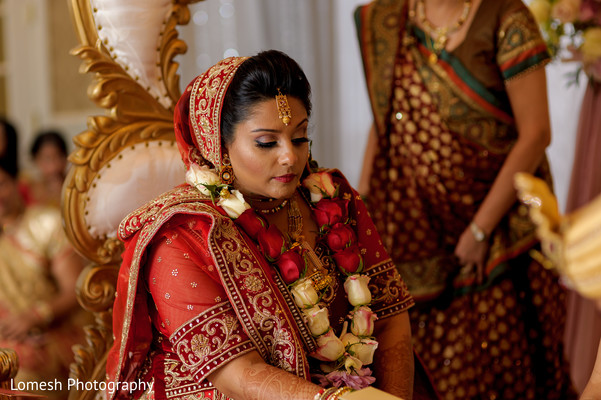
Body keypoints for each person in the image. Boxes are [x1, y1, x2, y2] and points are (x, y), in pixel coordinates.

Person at [105, 50, 426, 400]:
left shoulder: (334, 200)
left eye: (300, 137)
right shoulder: (182, 237)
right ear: (220, 147)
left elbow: (391, 315)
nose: (290, 156)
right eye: (266, 142)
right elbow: (239, 375)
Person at [355, 0, 576, 398]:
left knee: (504, 369)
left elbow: (536, 134)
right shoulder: (387, 19)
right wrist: (363, 205)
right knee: (419, 368)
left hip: (497, 231)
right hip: (412, 228)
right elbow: (383, 114)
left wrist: (480, 230)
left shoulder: (507, 18)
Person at [0, 120, 88, 400]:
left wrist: (34, 316)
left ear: (17, 182)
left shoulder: (45, 224)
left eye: (1, 184)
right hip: (6, 337)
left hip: (51, 335)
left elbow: (75, 291)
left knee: (18, 375)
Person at [21, 130, 69, 207]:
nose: (54, 166)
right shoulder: (26, 189)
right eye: (47, 159)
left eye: (59, 157)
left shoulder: (76, 187)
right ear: (36, 160)